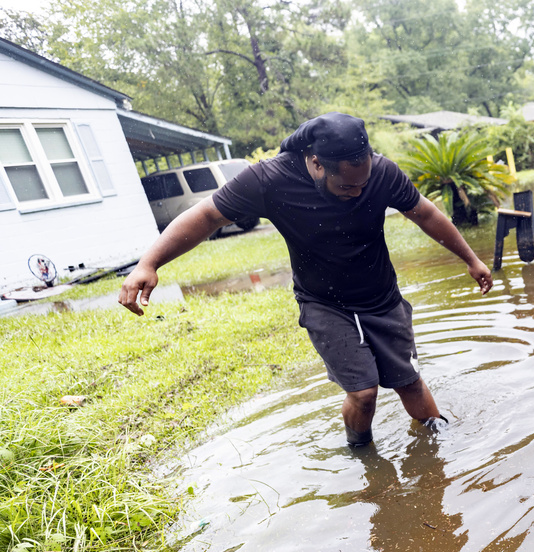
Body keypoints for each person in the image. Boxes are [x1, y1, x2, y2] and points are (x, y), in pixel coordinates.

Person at [118, 113, 493, 447]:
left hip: (382, 297)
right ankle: (362, 454)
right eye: (347, 186)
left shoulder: (381, 172)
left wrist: (471, 259)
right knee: (364, 394)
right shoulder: (268, 179)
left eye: (363, 184)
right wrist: (149, 263)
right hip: (324, 303)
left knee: (408, 382)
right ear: (315, 163)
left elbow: (424, 213)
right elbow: (206, 216)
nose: (357, 193)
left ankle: (441, 447)